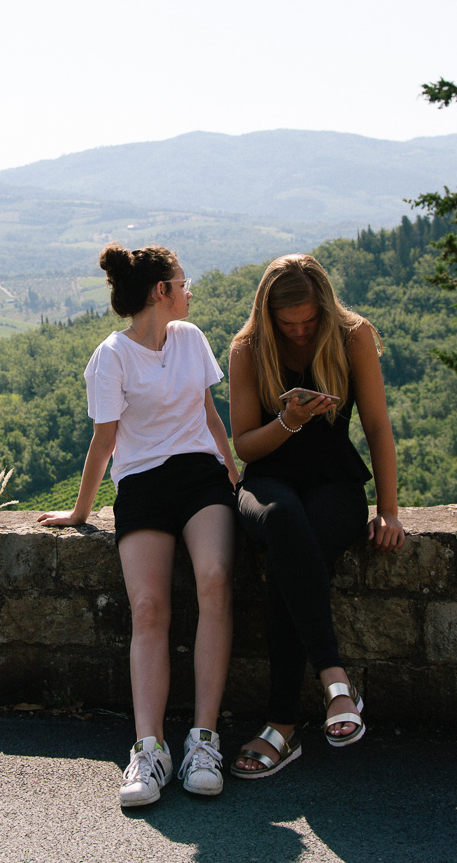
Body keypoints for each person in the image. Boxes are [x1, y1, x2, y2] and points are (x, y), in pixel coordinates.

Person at [39, 243, 238, 808]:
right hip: (143, 484)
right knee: (149, 607)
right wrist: (81, 512)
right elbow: (103, 444)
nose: (189, 288)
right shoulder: (111, 358)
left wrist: (231, 470)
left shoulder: (191, 339)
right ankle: (149, 749)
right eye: (183, 280)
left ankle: (204, 740)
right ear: (161, 291)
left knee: (216, 579)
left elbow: (205, 410)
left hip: (201, 479)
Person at [226, 253, 404, 779]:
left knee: (289, 560)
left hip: (335, 484)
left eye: (309, 321)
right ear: (268, 315)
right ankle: (335, 680)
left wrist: (389, 510)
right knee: (283, 524)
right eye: (289, 324)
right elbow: (245, 448)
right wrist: (289, 420)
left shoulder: (353, 336)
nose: (301, 333)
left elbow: (376, 425)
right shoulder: (247, 349)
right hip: (268, 483)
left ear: (324, 309)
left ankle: (281, 726)